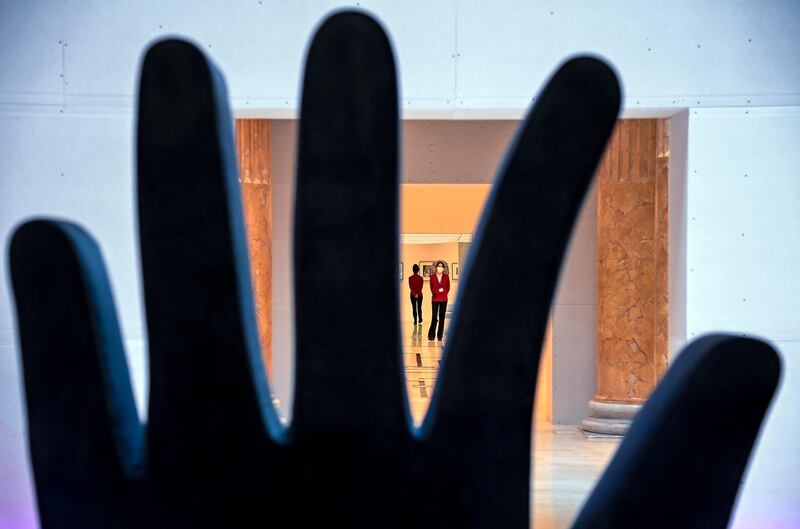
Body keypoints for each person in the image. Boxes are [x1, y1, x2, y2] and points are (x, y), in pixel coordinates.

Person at [427, 261, 450, 342]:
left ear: (443, 268)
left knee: (442, 317)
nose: (440, 267)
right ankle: (431, 335)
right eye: (439, 266)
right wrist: (436, 292)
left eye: (441, 266)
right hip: (435, 299)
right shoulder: (432, 277)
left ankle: (440, 336)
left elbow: (448, 288)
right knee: (434, 317)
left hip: (444, 299)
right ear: (436, 267)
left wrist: (443, 292)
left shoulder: (446, 277)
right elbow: (431, 287)